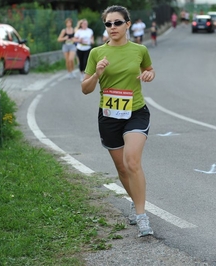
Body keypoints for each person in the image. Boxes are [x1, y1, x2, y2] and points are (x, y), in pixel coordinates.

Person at [81, 5, 156, 238]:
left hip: (135, 112)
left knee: (132, 161)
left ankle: (142, 216)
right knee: (122, 168)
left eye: (117, 23)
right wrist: (97, 74)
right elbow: (86, 89)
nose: (112, 27)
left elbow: (149, 69)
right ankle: (136, 204)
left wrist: (149, 75)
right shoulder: (96, 53)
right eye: (108, 24)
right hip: (109, 116)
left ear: (128, 24)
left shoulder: (140, 50)